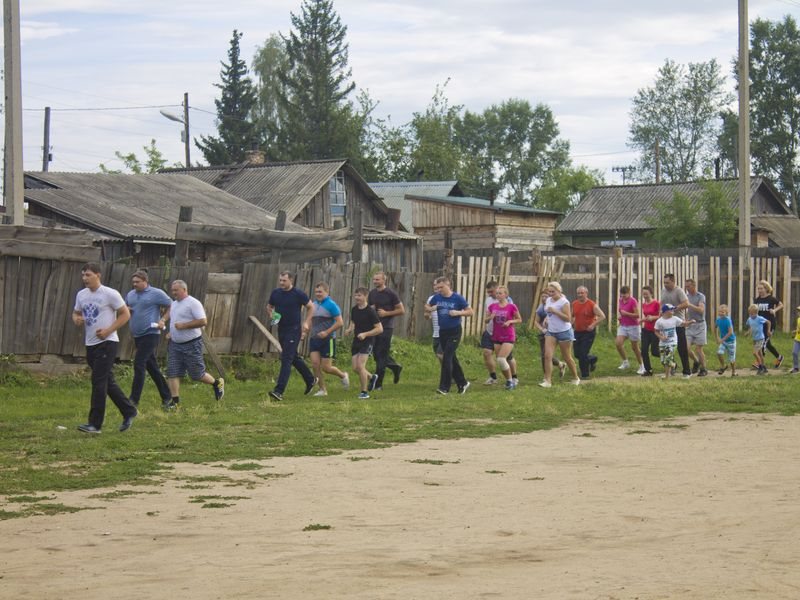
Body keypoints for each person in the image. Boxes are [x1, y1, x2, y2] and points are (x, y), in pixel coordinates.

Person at [72, 262, 138, 433]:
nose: (85, 278)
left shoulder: (110, 293)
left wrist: (109, 330)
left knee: (98, 381)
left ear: (98, 275)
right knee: (107, 382)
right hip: (91, 343)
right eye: (83, 275)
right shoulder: (81, 295)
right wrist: (76, 319)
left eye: (88, 275)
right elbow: (76, 312)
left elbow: (126, 314)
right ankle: (129, 411)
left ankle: (95, 424)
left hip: (107, 343)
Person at [165, 280, 224, 408]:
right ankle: (175, 403)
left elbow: (203, 321)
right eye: (172, 290)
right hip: (175, 345)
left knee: (197, 375)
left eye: (176, 290)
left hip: (191, 344)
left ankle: (216, 383)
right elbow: (175, 321)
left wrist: (184, 326)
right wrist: (172, 333)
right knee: (172, 372)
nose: (173, 292)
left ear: (184, 290)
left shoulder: (193, 303)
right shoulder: (174, 304)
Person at [266, 271, 317, 401]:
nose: (281, 283)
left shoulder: (298, 294)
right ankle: (310, 379)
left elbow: (311, 307)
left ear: (291, 281)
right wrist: (271, 314)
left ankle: (279, 391)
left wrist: (306, 322)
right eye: (280, 280)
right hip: (281, 328)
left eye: (284, 280)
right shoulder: (276, 293)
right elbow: (269, 306)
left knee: (286, 358)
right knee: (293, 357)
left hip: (294, 329)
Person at [126, 269, 172, 408]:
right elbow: (128, 308)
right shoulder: (131, 294)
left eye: (137, 282)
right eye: (133, 282)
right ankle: (167, 397)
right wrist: (127, 310)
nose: (134, 284)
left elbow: (171, 305)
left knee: (139, 363)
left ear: (145, 282)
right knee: (152, 368)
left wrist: (163, 319)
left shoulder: (156, 293)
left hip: (151, 334)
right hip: (137, 335)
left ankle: (133, 400)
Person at [425, 276, 473, 395]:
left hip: (454, 331)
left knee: (446, 357)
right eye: (438, 287)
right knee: (452, 358)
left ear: (448, 285)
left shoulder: (457, 298)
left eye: (441, 287)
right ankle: (463, 383)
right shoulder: (436, 297)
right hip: (443, 332)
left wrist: (458, 312)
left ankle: (444, 388)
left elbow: (470, 311)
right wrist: (431, 308)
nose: (439, 289)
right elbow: (426, 307)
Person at [308, 282, 348, 397]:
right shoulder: (313, 305)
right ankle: (322, 390)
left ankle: (343, 375)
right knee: (315, 364)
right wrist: (305, 332)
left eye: (320, 291)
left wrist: (326, 332)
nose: (318, 294)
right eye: (316, 292)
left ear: (327, 292)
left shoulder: (331, 305)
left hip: (328, 339)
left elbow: (340, 323)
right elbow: (310, 320)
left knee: (327, 368)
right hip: (314, 339)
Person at [344, 287, 383, 399]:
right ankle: (372, 377)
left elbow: (379, 329)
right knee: (355, 368)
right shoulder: (354, 309)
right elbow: (353, 322)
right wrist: (349, 329)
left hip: (368, 341)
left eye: (359, 295)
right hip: (357, 340)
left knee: (360, 366)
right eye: (356, 295)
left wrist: (365, 334)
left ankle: (364, 392)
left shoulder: (371, 311)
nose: (357, 298)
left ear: (366, 296)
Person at [368, 272, 405, 389]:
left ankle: (378, 385)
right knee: (376, 355)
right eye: (374, 280)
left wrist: (386, 313)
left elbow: (401, 310)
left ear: (384, 280)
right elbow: (369, 308)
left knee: (382, 356)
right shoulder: (372, 293)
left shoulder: (391, 293)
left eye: (377, 280)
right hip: (375, 327)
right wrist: (371, 309)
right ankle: (395, 367)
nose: (375, 282)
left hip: (387, 327)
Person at [539, 281, 580, 388]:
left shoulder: (564, 302)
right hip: (551, 331)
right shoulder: (548, 300)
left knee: (567, 357)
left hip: (564, 332)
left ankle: (575, 377)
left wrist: (555, 311)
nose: (551, 293)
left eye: (553, 291)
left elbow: (568, 318)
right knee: (547, 356)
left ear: (559, 291)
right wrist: (546, 319)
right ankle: (547, 381)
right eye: (549, 291)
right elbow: (549, 312)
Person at [485, 285, 522, 389]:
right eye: (496, 293)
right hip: (496, 336)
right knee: (501, 360)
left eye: (500, 293)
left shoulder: (512, 306)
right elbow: (485, 320)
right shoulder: (492, 306)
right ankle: (509, 380)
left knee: (501, 359)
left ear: (506, 294)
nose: (498, 295)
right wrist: (490, 317)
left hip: (508, 336)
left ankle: (511, 381)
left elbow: (519, 319)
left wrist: (510, 321)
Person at [660, 274, 692, 379]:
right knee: (666, 347)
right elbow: (662, 304)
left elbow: (686, 303)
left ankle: (687, 371)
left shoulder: (679, 291)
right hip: (667, 324)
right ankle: (672, 365)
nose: (665, 284)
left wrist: (674, 308)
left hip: (678, 323)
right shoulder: (663, 291)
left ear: (673, 282)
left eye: (667, 282)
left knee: (682, 348)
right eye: (664, 282)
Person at [570, 286, 604, 379]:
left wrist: (593, 325)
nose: (580, 295)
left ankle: (585, 375)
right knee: (577, 354)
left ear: (586, 293)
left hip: (588, 333)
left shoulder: (592, 304)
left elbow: (602, 316)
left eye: (582, 293)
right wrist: (570, 325)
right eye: (578, 293)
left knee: (583, 354)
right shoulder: (574, 303)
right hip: (577, 332)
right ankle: (592, 359)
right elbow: (573, 316)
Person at [654, 303, 692, 379]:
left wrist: (690, 322)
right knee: (663, 361)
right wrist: (661, 337)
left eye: (673, 309)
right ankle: (673, 364)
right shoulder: (659, 321)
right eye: (671, 309)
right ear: (665, 311)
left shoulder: (675, 319)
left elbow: (683, 324)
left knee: (667, 360)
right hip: (662, 344)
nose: (673, 310)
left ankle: (667, 377)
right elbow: (656, 331)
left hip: (672, 342)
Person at [615, 285, 645, 374]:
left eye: (625, 295)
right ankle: (625, 362)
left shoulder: (633, 301)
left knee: (634, 347)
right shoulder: (620, 300)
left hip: (633, 326)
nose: (623, 297)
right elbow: (621, 311)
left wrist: (626, 313)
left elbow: (637, 315)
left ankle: (642, 366)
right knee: (618, 343)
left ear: (629, 293)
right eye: (621, 295)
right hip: (623, 325)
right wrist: (621, 316)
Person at [754, 280, 784, 369]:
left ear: (766, 289)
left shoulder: (771, 298)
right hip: (760, 325)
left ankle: (759, 362)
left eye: (761, 288)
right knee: (767, 344)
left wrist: (774, 310)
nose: (759, 290)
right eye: (758, 289)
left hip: (770, 324)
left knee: (763, 342)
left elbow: (781, 305)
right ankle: (779, 357)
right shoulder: (757, 299)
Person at [684, 278, 708, 377]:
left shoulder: (700, 296)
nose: (686, 288)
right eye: (686, 286)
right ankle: (696, 361)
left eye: (688, 286)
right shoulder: (686, 296)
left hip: (700, 324)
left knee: (699, 349)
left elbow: (701, 310)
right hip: (690, 324)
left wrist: (690, 305)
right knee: (686, 348)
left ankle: (704, 369)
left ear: (693, 286)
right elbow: (686, 310)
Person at [639, 286, 661, 377]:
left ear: (651, 294)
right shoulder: (644, 304)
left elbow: (662, 316)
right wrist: (641, 320)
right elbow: (647, 316)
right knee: (643, 350)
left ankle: (671, 362)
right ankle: (648, 370)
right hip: (646, 330)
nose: (645, 296)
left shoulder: (656, 303)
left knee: (655, 351)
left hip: (655, 330)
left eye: (646, 294)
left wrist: (653, 317)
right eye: (643, 294)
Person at [744, 303, 771, 375]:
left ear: (756, 313)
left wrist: (768, 331)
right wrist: (748, 332)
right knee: (760, 354)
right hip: (755, 339)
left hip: (760, 338)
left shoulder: (759, 318)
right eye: (750, 314)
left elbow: (768, 322)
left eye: (753, 314)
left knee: (755, 353)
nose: (751, 315)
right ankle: (764, 367)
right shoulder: (749, 319)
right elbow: (751, 327)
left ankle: (760, 367)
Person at [714, 304, 737, 377]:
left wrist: (721, 339)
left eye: (723, 312)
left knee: (731, 359)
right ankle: (723, 366)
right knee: (719, 353)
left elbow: (730, 332)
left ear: (726, 313)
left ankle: (733, 372)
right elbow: (715, 328)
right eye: (719, 312)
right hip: (723, 341)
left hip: (731, 342)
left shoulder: (728, 320)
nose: (721, 313)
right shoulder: (718, 319)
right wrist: (717, 337)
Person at [425, 281, 444, 363]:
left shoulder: (446, 298)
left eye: (437, 285)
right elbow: (427, 313)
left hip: (446, 332)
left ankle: (448, 374)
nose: (435, 286)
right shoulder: (431, 299)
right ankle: (448, 372)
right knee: (438, 354)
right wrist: (427, 315)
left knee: (441, 354)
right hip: (436, 332)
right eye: (434, 285)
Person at [791, 305, 800, 375]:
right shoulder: (798, 319)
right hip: (797, 339)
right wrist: (795, 331)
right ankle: (796, 368)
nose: (798, 313)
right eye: (798, 311)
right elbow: (798, 329)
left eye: (799, 311)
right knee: (794, 352)